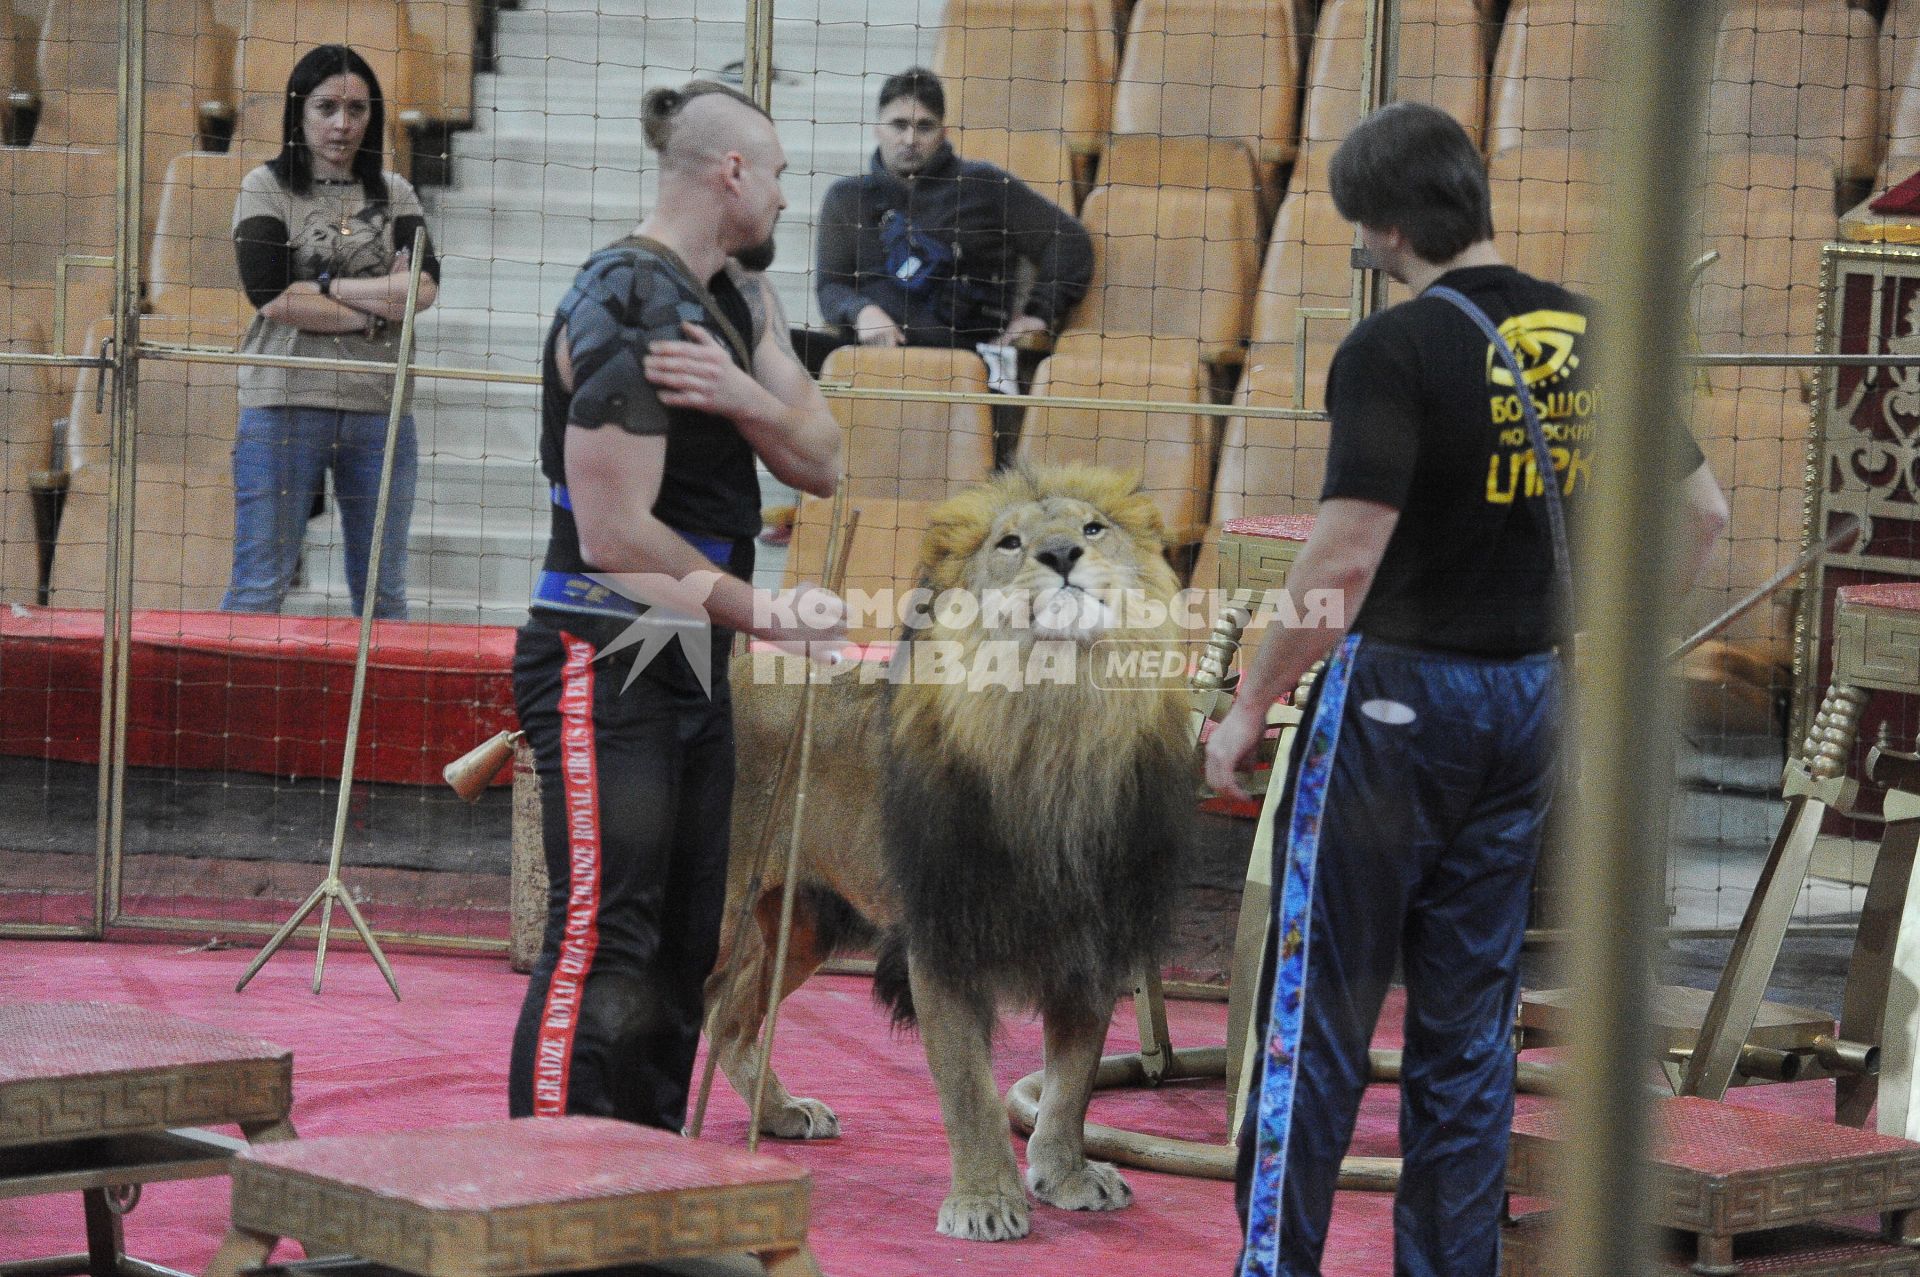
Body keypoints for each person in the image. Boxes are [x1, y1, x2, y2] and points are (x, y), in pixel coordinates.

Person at [1202, 102, 1729, 1277]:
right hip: (1531, 697)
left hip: (1399, 705)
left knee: (1319, 1014)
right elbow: (1704, 517)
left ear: (1386, 227)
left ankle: (1273, 1266)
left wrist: (1246, 708)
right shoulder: (1598, 329)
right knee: (1468, 1025)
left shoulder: (1391, 351)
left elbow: (1339, 564)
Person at [507, 80, 848, 1133]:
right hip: (605, 637)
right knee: (606, 933)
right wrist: (769, 614)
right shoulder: (623, 295)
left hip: (685, 637)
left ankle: (644, 1185)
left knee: (689, 938)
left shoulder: (740, 301)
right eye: (780, 174)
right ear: (731, 173)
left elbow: (824, 458)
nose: (789, 199)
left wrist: (746, 395)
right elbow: (614, 540)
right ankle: (552, 1193)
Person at [226, 43, 439, 619]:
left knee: (382, 595)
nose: (343, 124)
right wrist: (377, 306)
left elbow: (421, 290)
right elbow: (272, 297)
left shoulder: (394, 192)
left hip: (380, 405)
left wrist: (325, 289)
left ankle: (378, 711)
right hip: (285, 398)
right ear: (299, 111)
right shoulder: (264, 186)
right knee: (259, 583)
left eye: (358, 108)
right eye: (327, 108)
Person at [809, 66, 1094, 366]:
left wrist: (1037, 313)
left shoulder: (984, 184)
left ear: (943, 132)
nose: (910, 139)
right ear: (877, 128)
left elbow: (1070, 242)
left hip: (965, 360)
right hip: (873, 359)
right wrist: (861, 311)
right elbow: (830, 287)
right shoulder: (846, 197)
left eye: (925, 126)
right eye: (898, 125)